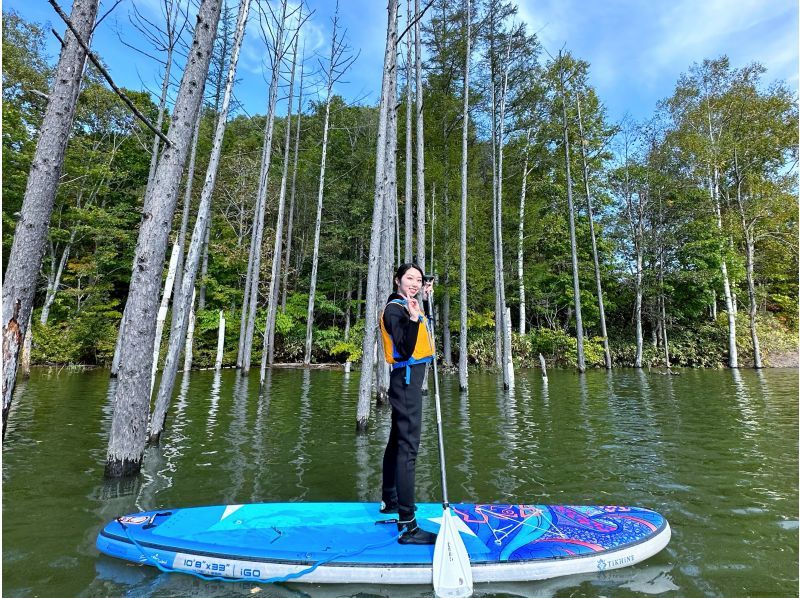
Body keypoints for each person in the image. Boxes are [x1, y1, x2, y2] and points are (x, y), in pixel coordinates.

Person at [378, 263, 438, 545]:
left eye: (419, 279)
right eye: (409, 278)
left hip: (408, 381)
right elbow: (403, 348)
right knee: (408, 448)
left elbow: (413, 337)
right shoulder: (394, 309)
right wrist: (414, 318)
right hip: (406, 382)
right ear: (397, 280)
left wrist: (420, 306)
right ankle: (408, 525)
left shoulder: (406, 305)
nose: (415, 283)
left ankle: (389, 500)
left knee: (397, 441)